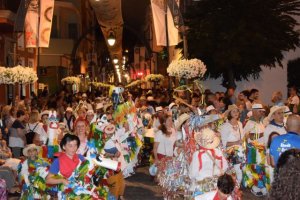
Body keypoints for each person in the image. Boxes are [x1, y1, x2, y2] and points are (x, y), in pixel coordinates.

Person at [189, 128, 228, 196]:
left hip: (201, 188)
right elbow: (225, 167)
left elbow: (192, 174)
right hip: (216, 186)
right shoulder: (218, 151)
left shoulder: (198, 154)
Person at [46, 134, 85, 199]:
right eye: (70, 146)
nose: (73, 148)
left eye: (75, 145)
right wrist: (62, 180)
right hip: (65, 192)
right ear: (64, 147)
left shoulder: (80, 157)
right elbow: (48, 180)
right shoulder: (58, 161)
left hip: (80, 187)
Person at [219, 105, 245, 184]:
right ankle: (237, 186)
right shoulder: (225, 126)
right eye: (233, 111)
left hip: (240, 151)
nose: (236, 113)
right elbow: (224, 144)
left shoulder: (240, 124)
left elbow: (243, 138)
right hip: (230, 152)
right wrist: (236, 143)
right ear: (229, 114)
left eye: (237, 111)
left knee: (241, 169)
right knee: (238, 170)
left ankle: (237, 186)